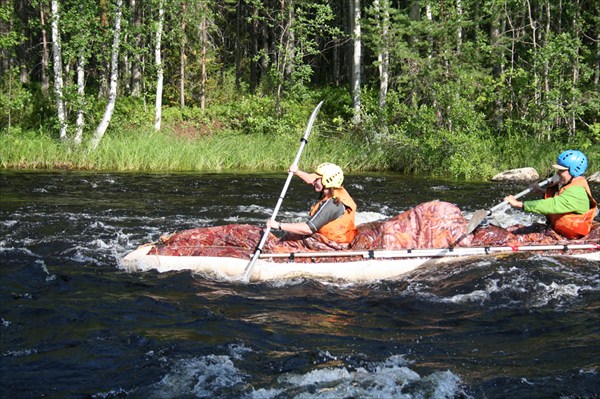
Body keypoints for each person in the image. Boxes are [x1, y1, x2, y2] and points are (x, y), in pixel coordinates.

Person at [504, 150, 597, 239]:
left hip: (571, 237)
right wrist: (541, 191)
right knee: (513, 231)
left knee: (515, 237)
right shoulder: (572, 185)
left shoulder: (577, 192)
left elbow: (551, 205)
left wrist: (518, 204)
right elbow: (561, 200)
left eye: (561, 171)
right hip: (558, 231)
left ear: (574, 171)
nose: (557, 173)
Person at [267, 162, 358, 244]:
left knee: (291, 236)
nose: (313, 180)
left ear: (326, 181)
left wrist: (278, 225)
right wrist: (297, 172)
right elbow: (312, 181)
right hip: (338, 238)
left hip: (334, 244)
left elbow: (308, 229)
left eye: (317, 178)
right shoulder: (335, 190)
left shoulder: (333, 204)